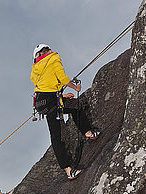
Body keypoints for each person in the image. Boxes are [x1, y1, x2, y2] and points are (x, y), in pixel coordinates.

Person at [31, 44, 101, 179]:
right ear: (48, 51)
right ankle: (88, 133)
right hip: (51, 99)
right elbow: (62, 77)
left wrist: (61, 96)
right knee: (74, 110)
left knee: (57, 133)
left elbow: (44, 86)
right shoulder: (53, 58)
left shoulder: (35, 68)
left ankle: (69, 169)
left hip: (41, 102)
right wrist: (75, 87)